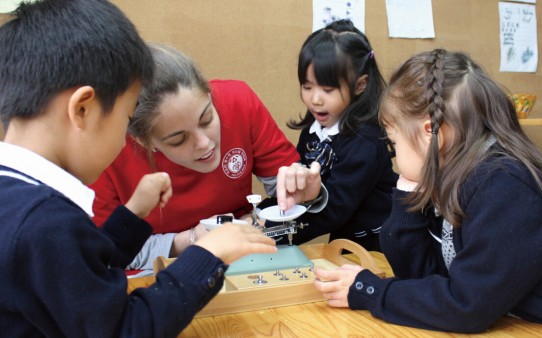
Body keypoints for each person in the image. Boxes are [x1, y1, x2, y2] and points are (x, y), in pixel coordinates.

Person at [0, 1, 277, 337]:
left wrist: (131, 216)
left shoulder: (19, 202)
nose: (124, 140)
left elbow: (83, 275)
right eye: (127, 119)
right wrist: (208, 254)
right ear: (82, 109)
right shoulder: (44, 222)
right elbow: (127, 329)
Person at [313, 49, 542, 332]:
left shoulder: (503, 186)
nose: (394, 156)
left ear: (431, 133)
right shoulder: (453, 173)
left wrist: (370, 291)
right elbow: (422, 281)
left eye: (394, 142)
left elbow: (466, 306)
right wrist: (407, 196)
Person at [90, 43, 324, 270]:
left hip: (240, 263)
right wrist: (188, 241)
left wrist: (303, 195)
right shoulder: (109, 150)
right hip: (157, 275)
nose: (205, 144)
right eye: (178, 139)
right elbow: (103, 251)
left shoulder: (238, 101)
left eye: (207, 119)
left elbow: (286, 188)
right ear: (144, 141)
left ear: (210, 94)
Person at [281, 19, 397, 250]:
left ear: (360, 85)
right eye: (307, 86)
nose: (315, 99)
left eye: (327, 90)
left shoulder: (365, 142)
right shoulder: (313, 131)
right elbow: (301, 188)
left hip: (377, 247)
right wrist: (256, 217)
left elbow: (333, 209)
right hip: (344, 241)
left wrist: (269, 232)